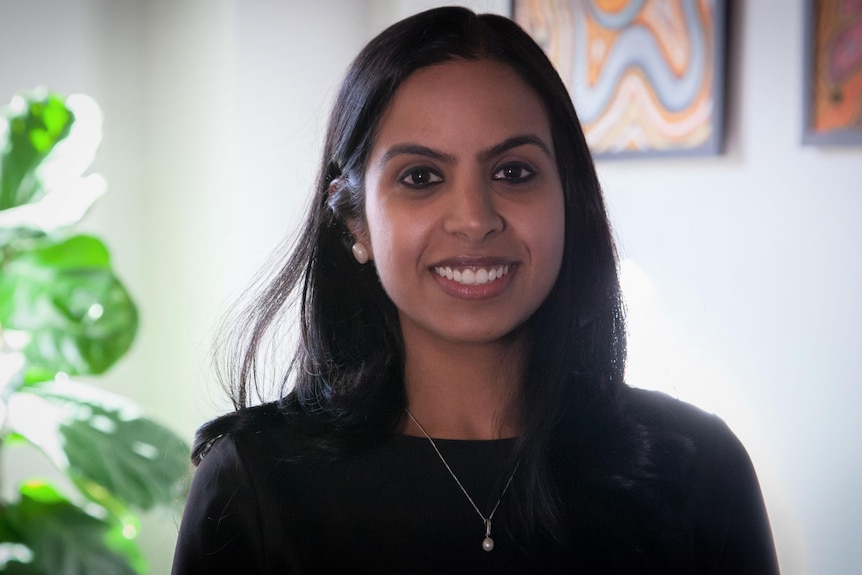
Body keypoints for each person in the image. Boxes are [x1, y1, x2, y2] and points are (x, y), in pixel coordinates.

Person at [171, 6, 779, 574]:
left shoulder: (698, 467)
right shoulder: (253, 484)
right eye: (421, 177)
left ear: (569, 200)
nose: (474, 218)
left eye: (513, 172)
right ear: (355, 221)